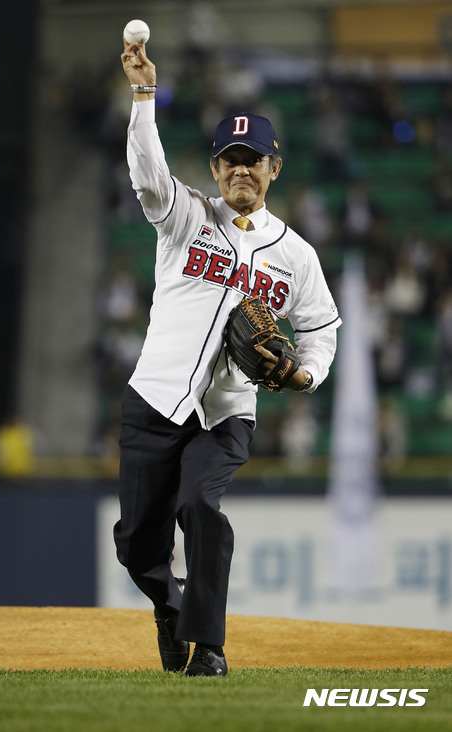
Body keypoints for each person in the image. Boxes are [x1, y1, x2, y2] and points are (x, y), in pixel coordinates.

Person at [114, 38, 341, 677]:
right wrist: (142, 96)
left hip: (226, 412)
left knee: (201, 508)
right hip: (155, 397)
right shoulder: (185, 218)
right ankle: (169, 606)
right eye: (230, 159)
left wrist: (306, 373)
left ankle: (209, 647)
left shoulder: (296, 256)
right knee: (136, 545)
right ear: (214, 170)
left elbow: (321, 330)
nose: (241, 170)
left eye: (254, 160)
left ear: (274, 169)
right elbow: (147, 171)